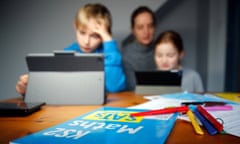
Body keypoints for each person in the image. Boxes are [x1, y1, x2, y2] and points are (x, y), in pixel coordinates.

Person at [16, 3, 126, 95]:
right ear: (75, 26)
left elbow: (114, 87)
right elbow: (55, 89)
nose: (86, 41)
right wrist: (29, 89)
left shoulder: (110, 54)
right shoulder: (67, 53)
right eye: (82, 33)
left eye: (95, 36)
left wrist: (109, 42)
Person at [121, 6, 156, 91]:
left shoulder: (163, 50)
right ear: (132, 30)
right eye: (140, 27)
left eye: (150, 26)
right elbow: (133, 88)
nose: (146, 32)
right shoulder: (125, 55)